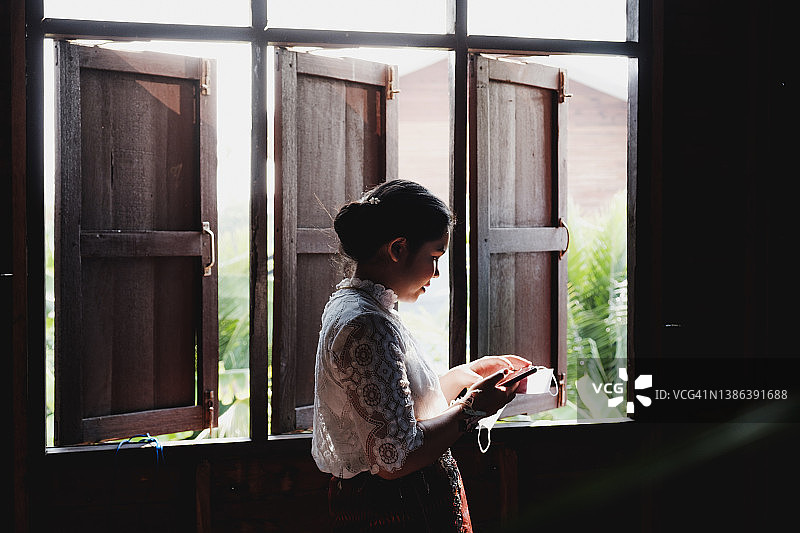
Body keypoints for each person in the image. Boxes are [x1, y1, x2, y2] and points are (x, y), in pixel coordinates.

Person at [311, 179, 531, 532]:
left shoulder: (363, 309)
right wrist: (473, 407)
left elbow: (395, 411)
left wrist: (463, 376)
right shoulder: (366, 322)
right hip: (396, 513)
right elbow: (393, 457)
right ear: (398, 249)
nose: (436, 273)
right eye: (433, 257)